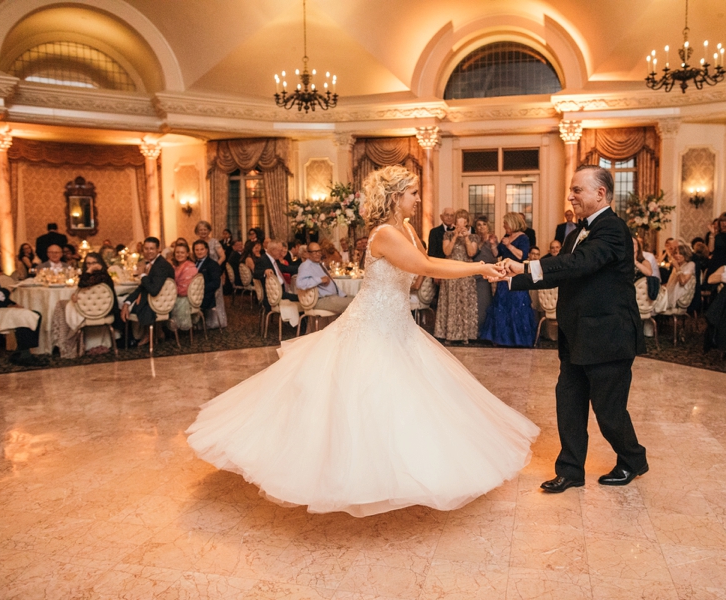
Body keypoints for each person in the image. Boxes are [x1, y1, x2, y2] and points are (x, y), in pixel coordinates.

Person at [186, 165, 535, 517]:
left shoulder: (407, 227)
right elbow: (426, 268)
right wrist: (481, 268)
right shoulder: (384, 234)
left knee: (412, 397)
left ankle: (402, 474)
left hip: (398, 325)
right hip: (372, 325)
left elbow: (427, 260)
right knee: (362, 398)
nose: (418, 199)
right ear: (396, 196)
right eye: (413, 193)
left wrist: (480, 268)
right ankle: (363, 479)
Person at [498, 164, 648, 492]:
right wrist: (509, 278)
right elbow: (560, 273)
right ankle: (570, 470)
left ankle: (633, 459)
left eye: (577, 190)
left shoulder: (613, 229)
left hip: (608, 336)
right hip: (577, 335)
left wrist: (523, 265)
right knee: (569, 403)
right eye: (572, 190)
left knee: (609, 411)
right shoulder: (576, 232)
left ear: (601, 193)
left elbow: (579, 263)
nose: (571, 196)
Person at [480, 212, 537, 347]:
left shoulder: (523, 238)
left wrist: (509, 245)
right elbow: (497, 254)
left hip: (516, 276)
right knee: (501, 305)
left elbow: (522, 256)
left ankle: (518, 340)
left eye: (505, 223)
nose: (504, 226)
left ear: (512, 223)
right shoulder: (506, 237)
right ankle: (501, 339)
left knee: (517, 305)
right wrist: (493, 244)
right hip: (504, 276)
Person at [60, 252, 120, 357]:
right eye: (88, 263)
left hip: (103, 310)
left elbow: (82, 284)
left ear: (99, 263)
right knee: (63, 305)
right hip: (93, 308)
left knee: (64, 306)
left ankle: (70, 342)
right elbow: (85, 291)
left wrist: (88, 271)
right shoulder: (92, 276)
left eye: (94, 263)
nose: (91, 266)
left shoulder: (102, 276)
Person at [434, 209, 479, 342]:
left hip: (466, 273)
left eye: (463, 220)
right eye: (458, 220)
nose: (460, 224)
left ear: (466, 222)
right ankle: (449, 335)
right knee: (451, 302)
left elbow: (471, 253)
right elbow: (446, 251)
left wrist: (466, 238)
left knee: (465, 302)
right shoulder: (447, 235)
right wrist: (454, 237)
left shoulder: (473, 237)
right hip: (451, 272)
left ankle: (465, 335)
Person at [120, 237, 175, 345]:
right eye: (146, 249)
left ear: (158, 249)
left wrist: (143, 275)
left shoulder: (161, 266)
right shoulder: (153, 263)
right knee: (124, 302)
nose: (148, 251)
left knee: (130, 305)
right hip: (154, 300)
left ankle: (141, 336)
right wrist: (127, 302)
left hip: (160, 303)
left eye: (151, 249)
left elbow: (153, 290)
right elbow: (142, 287)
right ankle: (155, 332)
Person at [295, 242, 353, 314]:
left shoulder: (319, 264)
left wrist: (342, 295)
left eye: (319, 251)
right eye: (315, 252)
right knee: (355, 304)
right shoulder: (306, 266)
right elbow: (300, 283)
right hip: (321, 300)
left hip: (332, 297)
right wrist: (320, 280)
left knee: (359, 300)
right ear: (309, 254)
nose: (318, 254)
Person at [194, 221, 227, 329]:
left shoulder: (214, 242)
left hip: (212, 274)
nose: (203, 232)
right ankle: (200, 321)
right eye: (201, 230)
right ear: (197, 231)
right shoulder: (197, 243)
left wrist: (214, 267)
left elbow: (223, 256)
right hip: (202, 273)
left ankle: (216, 322)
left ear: (209, 230)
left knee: (216, 298)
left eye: (205, 229)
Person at [472, 216, 498, 329]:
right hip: (477, 273)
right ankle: (478, 329)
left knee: (488, 301)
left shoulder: (492, 238)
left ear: (488, 226)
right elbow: (472, 254)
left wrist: (492, 244)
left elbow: (496, 255)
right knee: (479, 303)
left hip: (491, 272)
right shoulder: (474, 239)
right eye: (479, 225)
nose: (481, 227)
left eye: (484, 224)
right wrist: (481, 242)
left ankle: (488, 328)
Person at [168, 244, 198, 332]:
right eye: (177, 252)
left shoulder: (189, 267)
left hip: (185, 298)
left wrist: (170, 292)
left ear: (187, 254)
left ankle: (162, 329)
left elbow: (184, 290)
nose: (179, 254)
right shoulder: (176, 266)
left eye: (182, 252)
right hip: (177, 294)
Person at [193, 239, 222, 312]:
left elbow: (216, 283)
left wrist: (199, 289)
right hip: (195, 295)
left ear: (207, 250)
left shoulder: (212, 264)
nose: (199, 252)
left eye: (202, 249)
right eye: (197, 250)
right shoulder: (194, 263)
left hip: (206, 297)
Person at [665, 243, 696, 310]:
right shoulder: (676, 267)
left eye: (680, 253)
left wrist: (677, 267)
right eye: (676, 253)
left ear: (685, 255)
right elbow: (671, 284)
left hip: (680, 297)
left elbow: (682, 282)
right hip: (670, 293)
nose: (677, 255)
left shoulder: (690, 264)